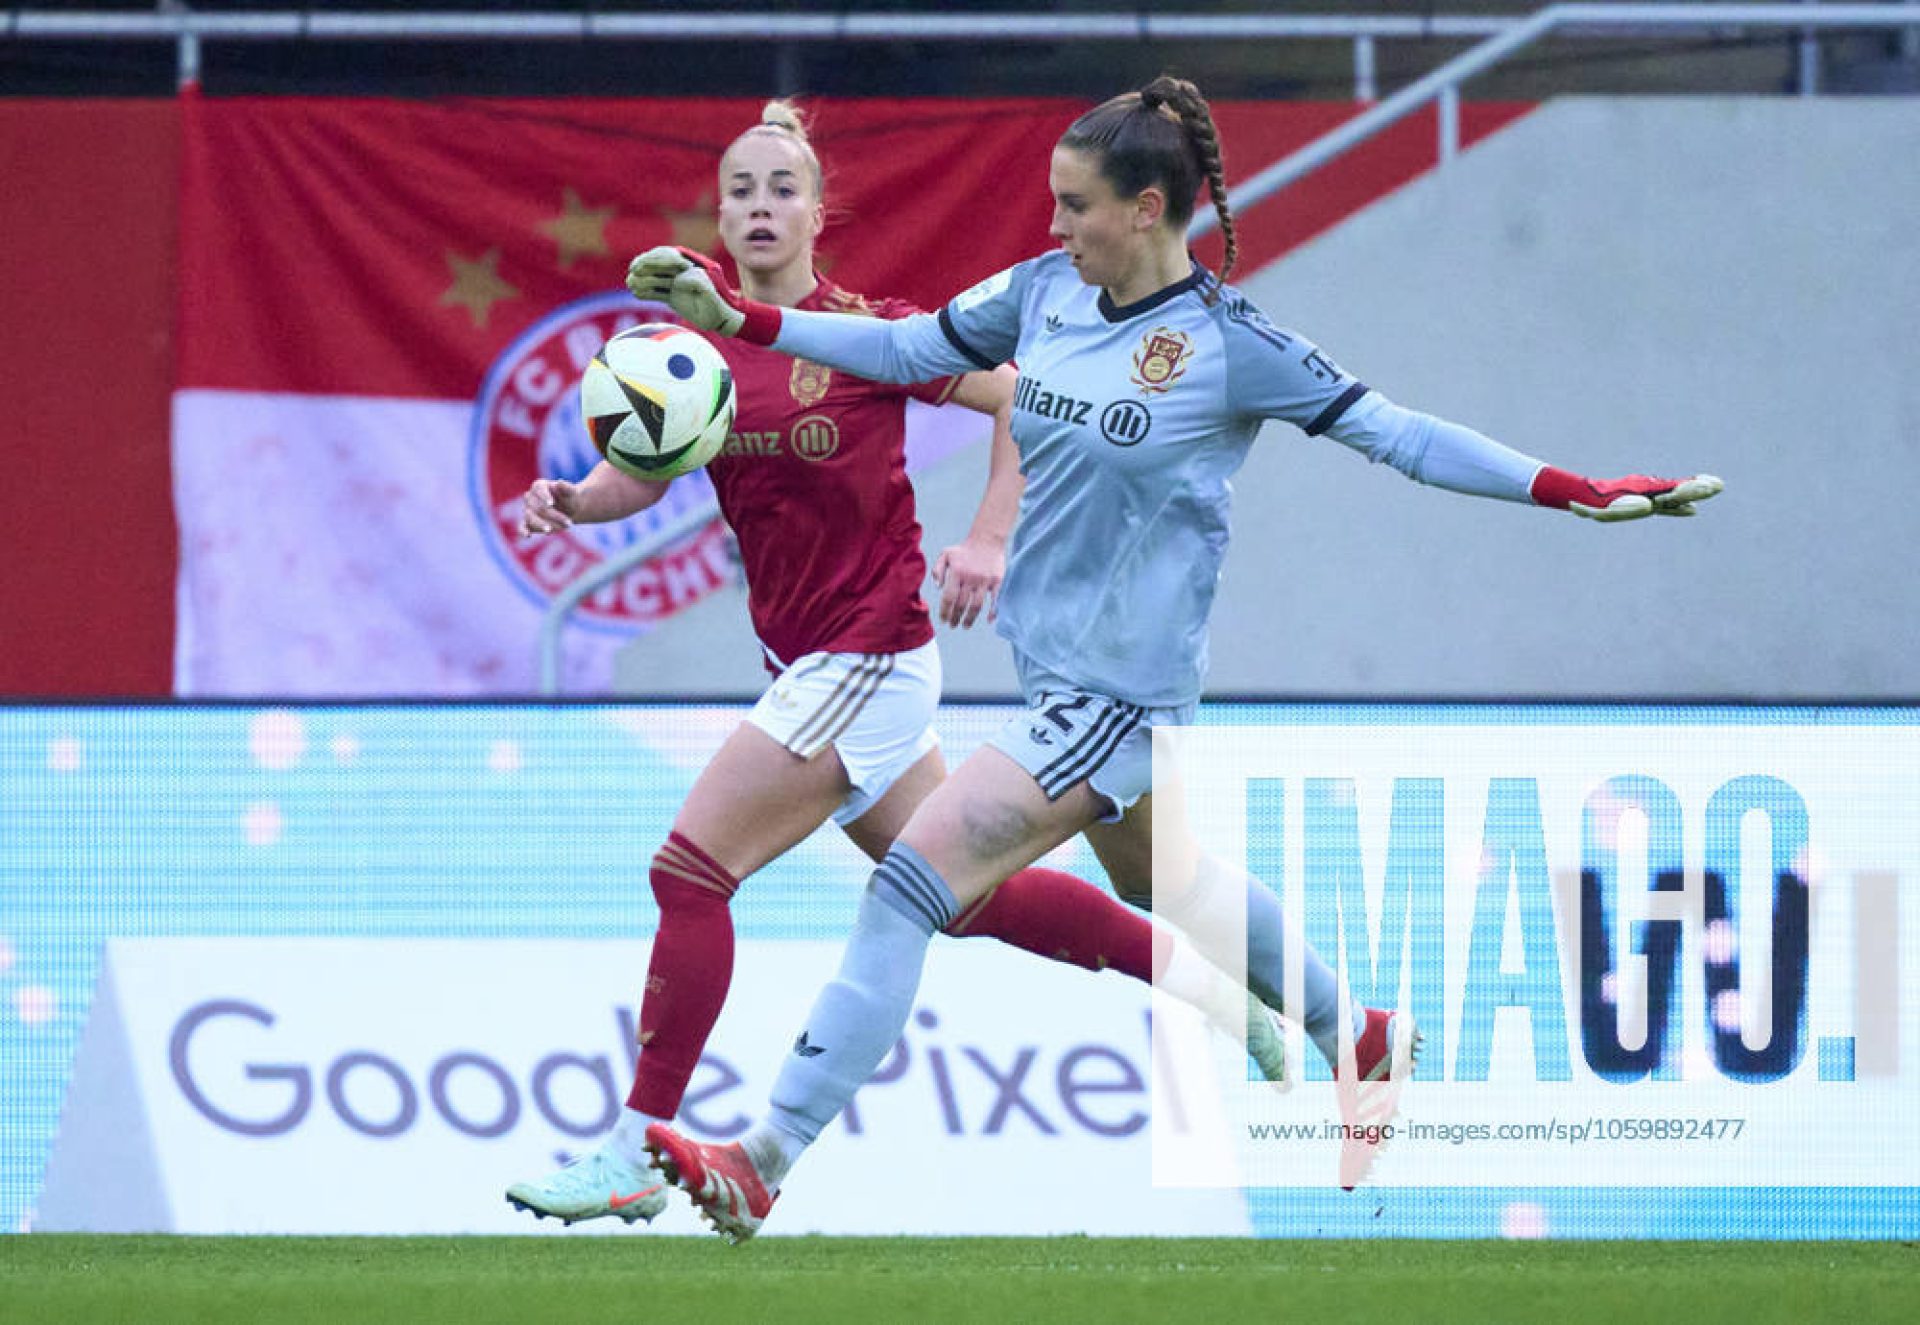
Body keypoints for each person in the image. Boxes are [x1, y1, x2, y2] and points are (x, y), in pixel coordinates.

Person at [625, 74, 1725, 1240]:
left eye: (1075, 204)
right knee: (1172, 884)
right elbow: (901, 348)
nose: (1054, 225)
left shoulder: (1230, 344)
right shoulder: (1042, 292)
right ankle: (1356, 1033)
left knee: (909, 887)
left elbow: (1400, 434)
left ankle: (763, 1157)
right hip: (1057, 673)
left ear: (1146, 208)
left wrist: (1570, 488)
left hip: (1117, 696)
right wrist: (742, 321)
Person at [504, 100, 1285, 1230]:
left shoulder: (865, 334)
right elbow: (651, 464)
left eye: (782, 188)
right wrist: (578, 501)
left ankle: (632, 1150)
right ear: (718, 214)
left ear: (820, 213)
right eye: (740, 189)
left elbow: (1020, 396)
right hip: (813, 663)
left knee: (690, 872)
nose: (760, 206)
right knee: (972, 898)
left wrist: (989, 537)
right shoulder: (703, 349)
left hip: (865, 651)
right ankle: (1206, 984)